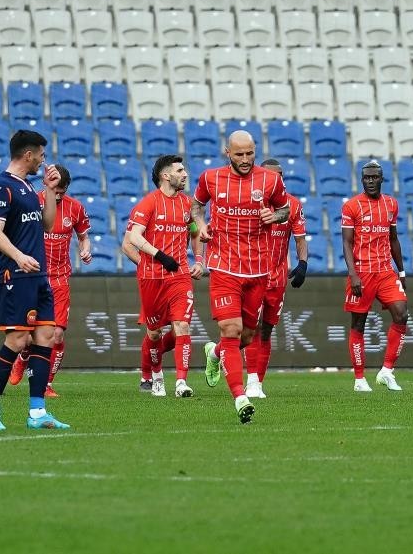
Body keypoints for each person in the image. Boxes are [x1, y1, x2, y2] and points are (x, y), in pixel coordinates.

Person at [190, 131, 290, 424]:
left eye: (250, 154)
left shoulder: (270, 180)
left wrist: (275, 216)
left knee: (246, 335)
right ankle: (240, 397)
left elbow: (285, 209)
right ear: (228, 153)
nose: (245, 159)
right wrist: (201, 225)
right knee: (231, 329)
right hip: (223, 266)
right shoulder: (211, 178)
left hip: (258, 269)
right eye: (239, 154)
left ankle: (215, 354)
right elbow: (196, 206)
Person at [0, 129, 70, 431]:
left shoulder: (29, 188)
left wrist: (51, 191)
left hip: (39, 274)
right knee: (17, 340)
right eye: (41, 155)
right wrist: (18, 257)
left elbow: (47, 224)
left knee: (45, 337)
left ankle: (37, 413)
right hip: (15, 274)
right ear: (28, 155)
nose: (43, 160)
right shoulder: (1, 186)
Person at [203, 158, 308, 398]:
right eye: (271, 175)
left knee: (266, 330)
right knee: (251, 329)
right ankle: (252, 383)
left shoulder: (291, 205)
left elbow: (300, 238)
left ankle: (217, 354)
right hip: (251, 273)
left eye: (280, 176)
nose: (276, 180)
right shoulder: (246, 200)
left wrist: (302, 263)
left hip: (277, 277)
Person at [8, 164, 93, 397]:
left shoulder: (75, 208)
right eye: (54, 191)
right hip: (32, 276)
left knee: (56, 335)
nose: (56, 196)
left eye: (61, 193)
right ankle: (23, 357)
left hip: (60, 278)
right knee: (26, 337)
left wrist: (85, 250)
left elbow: (84, 237)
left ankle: (45, 384)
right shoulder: (31, 203)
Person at [124, 155, 204, 397]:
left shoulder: (187, 204)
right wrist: (158, 257)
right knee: (154, 332)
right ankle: (156, 376)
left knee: (182, 325)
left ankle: (181, 383)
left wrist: (199, 260)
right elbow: (133, 238)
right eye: (179, 171)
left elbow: (195, 232)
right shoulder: (148, 204)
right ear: (165, 175)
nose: (185, 174)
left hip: (179, 275)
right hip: (152, 278)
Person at [341, 160, 408, 392]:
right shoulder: (351, 206)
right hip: (362, 272)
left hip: (385, 271)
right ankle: (360, 379)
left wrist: (401, 270)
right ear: (362, 180)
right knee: (358, 324)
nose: (370, 181)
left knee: (401, 313)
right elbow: (347, 243)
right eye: (366, 178)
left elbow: (393, 239)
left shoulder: (391, 204)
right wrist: (353, 274)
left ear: (381, 179)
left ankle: (387, 371)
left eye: (374, 177)